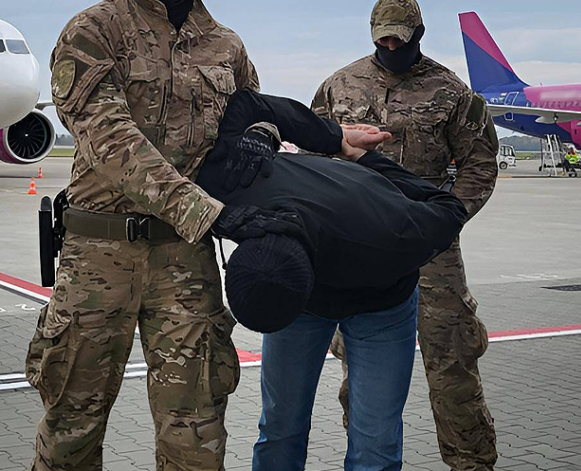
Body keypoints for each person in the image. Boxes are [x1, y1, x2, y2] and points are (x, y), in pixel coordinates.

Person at [25, 0, 388, 470]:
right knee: (72, 427)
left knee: (195, 433)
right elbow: (112, 140)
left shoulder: (224, 44)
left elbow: (257, 109)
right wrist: (210, 213)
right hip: (100, 255)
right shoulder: (93, 33)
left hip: (185, 262)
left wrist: (262, 136)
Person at [193, 89, 468, 471]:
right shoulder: (230, 180)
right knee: (280, 427)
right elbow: (249, 103)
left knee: (376, 440)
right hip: (297, 295)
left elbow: (449, 208)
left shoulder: (392, 234)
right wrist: (327, 136)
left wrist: (364, 157)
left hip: (381, 303)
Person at [312, 0, 500, 471]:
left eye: (401, 37)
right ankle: (367, 460)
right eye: (383, 38)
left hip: (430, 251)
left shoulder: (453, 93)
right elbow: (315, 161)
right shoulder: (339, 86)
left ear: (418, 34)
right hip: (362, 253)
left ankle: (471, 463)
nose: (392, 45)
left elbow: (479, 166)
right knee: (360, 373)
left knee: (453, 364)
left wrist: (445, 217)